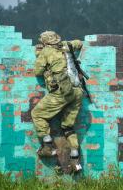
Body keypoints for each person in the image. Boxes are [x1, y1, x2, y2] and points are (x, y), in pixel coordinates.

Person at [32, 30, 84, 173]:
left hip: (62, 92)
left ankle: (48, 147)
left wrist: (38, 53)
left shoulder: (46, 51)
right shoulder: (66, 45)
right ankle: (75, 160)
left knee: (37, 114)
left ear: (45, 42)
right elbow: (79, 43)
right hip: (78, 91)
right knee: (68, 126)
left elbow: (37, 71)